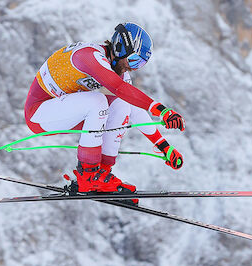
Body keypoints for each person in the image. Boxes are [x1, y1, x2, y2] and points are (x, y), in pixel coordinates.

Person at [24, 22, 185, 194]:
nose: (132, 67)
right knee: (98, 101)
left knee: (122, 106)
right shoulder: (89, 56)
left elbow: (135, 109)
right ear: (119, 48)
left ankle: (102, 173)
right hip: (38, 114)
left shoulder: (116, 69)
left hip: (61, 112)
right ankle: (89, 176)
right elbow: (119, 88)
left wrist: (164, 146)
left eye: (140, 64)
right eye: (133, 60)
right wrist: (162, 110)